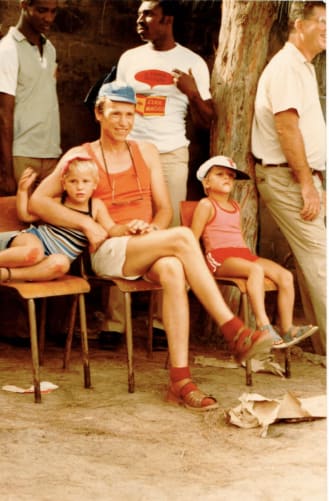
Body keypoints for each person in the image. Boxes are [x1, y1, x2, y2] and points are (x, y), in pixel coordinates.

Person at [29, 81, 273, 412]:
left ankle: (180, 380)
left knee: (173, 268)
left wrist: (154, 228)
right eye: (116, 114)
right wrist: (87, 223)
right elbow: (39, 201)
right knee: (185, 237)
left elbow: (164, 209)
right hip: (110, 247)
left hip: (147, 241)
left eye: (129, 115)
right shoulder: (81, 155)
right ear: (99, 114)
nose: (123, 122)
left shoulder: (146, 152)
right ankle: (232, 328)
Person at [111, 0, 215, 345]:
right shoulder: (130, 58)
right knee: (122, 227)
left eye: (148, 14)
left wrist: (192, 92)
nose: (140, 20)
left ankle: (159, 321)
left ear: (167, 19)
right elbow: (116, 106)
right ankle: (115, 322)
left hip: (170, 155)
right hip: (131, 154)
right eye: (140, 14)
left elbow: (208, 119)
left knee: (168, 232)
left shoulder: (192, 62)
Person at [251, 1, 326, 354]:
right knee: (322, 260)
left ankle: (321, 347)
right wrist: (307, 183)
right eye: (323, 22)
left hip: (300, 176)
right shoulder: (285, 68)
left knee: (316, 261)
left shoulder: (303, 66)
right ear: (300, 24)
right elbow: (286, 126)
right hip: (289, 177)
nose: (328, 29)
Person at [191, 155, 318, 348]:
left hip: (243, 255)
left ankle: (287, 328)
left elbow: (238, 236)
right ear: (206, 182)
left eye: (230, 176)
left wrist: (248, 258)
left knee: (284, 276)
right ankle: (263, 325)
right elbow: (192, 238)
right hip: (218, 257)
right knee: (255, 270)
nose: (227, 178)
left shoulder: (235, 206)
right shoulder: (206, 205)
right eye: (220, 174)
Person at [0, 160, 124, 282]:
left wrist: (127, 229)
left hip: (49, 259)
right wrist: (22, 191)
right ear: (64, 184)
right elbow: (25, 216)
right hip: (34, 238)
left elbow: (112, 229)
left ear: (95, 184)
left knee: (62, 264)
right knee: (35, 251)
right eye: (73, 181)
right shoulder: (58, 202)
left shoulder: (96, 206)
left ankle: (6, 274)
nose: (79, 187)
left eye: (85, 181)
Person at [0, 0, 61, 195]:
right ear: (24, 5)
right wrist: (7, 173)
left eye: (53, 12)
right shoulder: (7, 50)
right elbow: (3, 115)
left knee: (47, 223)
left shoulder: (50, 49)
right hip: (22, 155)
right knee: (16, 222)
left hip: (51, 154)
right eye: (42, 11)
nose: (48, 18)